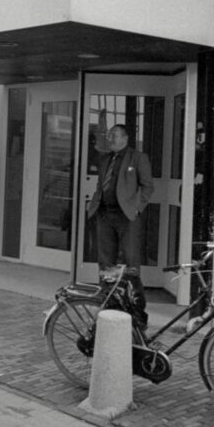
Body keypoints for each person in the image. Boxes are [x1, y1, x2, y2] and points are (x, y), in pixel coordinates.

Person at [85, 124, 154, 330]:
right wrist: (95, 206)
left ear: (125, 137)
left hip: (126, 216)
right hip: (105, 214)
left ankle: (138, 311)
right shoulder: (105, 159)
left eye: (114, 135)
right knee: (106, 262)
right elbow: (101, 185)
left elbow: (148, 186)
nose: (110, 139)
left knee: (131, 263)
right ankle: (108, 303)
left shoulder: (137, 158)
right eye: (109, 136)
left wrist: (136, 208)